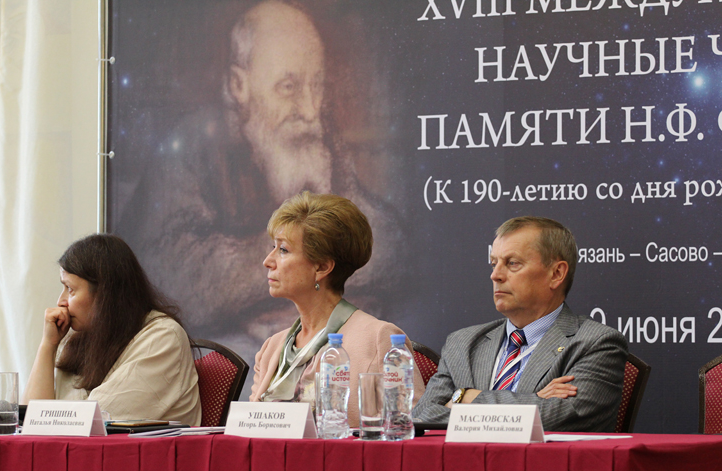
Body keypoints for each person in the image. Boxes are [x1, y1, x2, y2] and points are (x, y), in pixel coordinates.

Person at [114, 0, 407, 386]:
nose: (309, 109)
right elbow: (176, 276)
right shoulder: (191, 147)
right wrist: (299, 255)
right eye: (289, 87)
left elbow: (389, 245)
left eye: (317, 86)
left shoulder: (317, 137)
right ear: (239, 85)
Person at [412, 217, 628, 432]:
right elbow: (422, 417)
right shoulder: (462, 344)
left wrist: (467, 397)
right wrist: (532, 401)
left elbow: (564, 417)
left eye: (512, 263)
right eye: (494, 263)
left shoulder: (596, 343)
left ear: (556, 274)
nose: (495, 275)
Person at [250, 192, 424, 427]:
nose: (268, 261)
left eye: (283, 250)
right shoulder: (271, 348)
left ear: (322, 267)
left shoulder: (378, 339)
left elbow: (409, 428)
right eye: (274, 247)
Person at [21, 234, 202, 426]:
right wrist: (48, 345)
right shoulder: (83, 337)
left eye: (70, 289)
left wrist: (47, 417)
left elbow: (92, 422)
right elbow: (31, 421)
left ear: (104, 294)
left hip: (139, 447)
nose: (60, 301)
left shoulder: (163, 337)